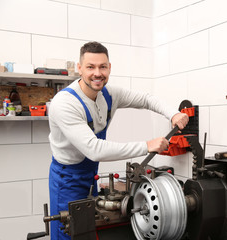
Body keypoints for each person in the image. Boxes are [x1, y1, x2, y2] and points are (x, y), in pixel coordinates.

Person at [48, 41, 189, 240]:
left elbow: (146, 99)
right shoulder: (64, 103)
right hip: (67, 180)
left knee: (88, 231)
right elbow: (94, 149)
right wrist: (147, 145)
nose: (97, 73)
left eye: (102, 66)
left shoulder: (109, 95)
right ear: (79, 69)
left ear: (109, 68)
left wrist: (173, 114)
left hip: (90, 174)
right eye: (90, 67)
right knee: (68, 233)